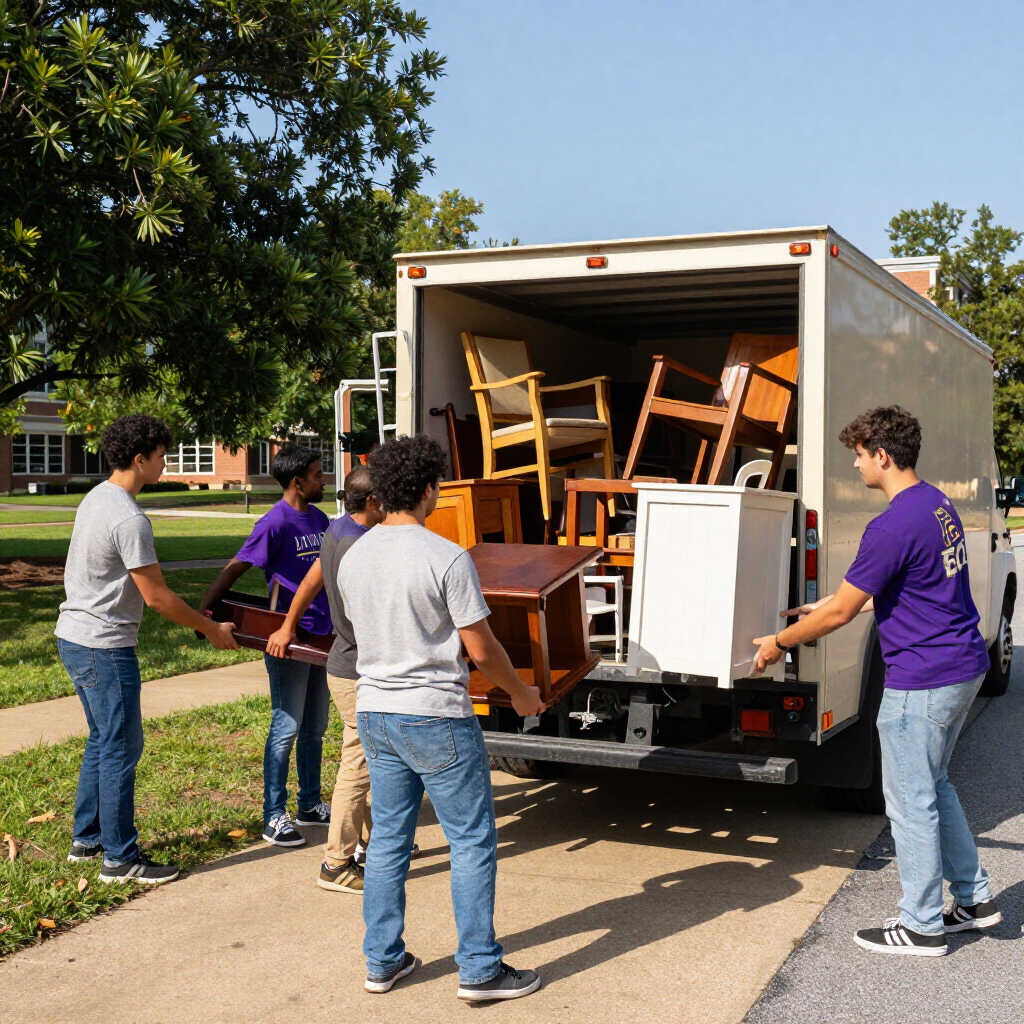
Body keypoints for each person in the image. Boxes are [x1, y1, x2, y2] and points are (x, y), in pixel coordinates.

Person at [752, 406, 1000, 957]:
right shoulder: (934, 503)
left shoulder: (889, 523)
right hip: (961, 666)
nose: (856, 466)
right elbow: (904, 587)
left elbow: (842, 615)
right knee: (934, 785)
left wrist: (779, 643)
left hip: (923, 678)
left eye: (859, 456)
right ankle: (974, 900)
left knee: (910, 801)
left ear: (881, 455)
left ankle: (921, 926)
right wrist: (834, 601)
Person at [337, 434, 544, 1001]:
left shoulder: (356, 557)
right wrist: (522, 693)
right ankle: (479, 968)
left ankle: (382, 962)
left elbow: (357, 633)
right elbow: (481, 649)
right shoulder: (446, 557)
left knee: (387, 843)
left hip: (375, 709)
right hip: (434, 714)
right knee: (472, 838)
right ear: (430, 490)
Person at [57, 414, 239, 885]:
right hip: (104, 646)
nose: (166, 462)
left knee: (103, 740)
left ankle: (88, 838)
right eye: (161, 456)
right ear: (140, 459)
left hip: (74, 637)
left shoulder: (98, 497)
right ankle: (119, 859)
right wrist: (210, 628)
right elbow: (157, 597)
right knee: (120, 746)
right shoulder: (128, 517)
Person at [267, 464, 419, 894]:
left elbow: (313, 579)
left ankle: (379, 843)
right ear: (373, 501)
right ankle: (336, 863)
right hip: (357, 670)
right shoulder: (360, 545)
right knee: (358, 763)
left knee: (372, 758)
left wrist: (288, 624)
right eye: (386, 498)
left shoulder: (336, 530)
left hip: (345, 665)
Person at [201, 445, 333, 847]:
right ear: (297, 482)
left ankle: (309, 804)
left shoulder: (321, 518)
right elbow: (237, 566)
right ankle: (273, 815)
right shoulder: (274, 523)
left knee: (316, 728)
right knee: (287, 727)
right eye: (316, 474)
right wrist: (205, 612)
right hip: (286, 639)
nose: (322, 480)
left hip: (321, 636)